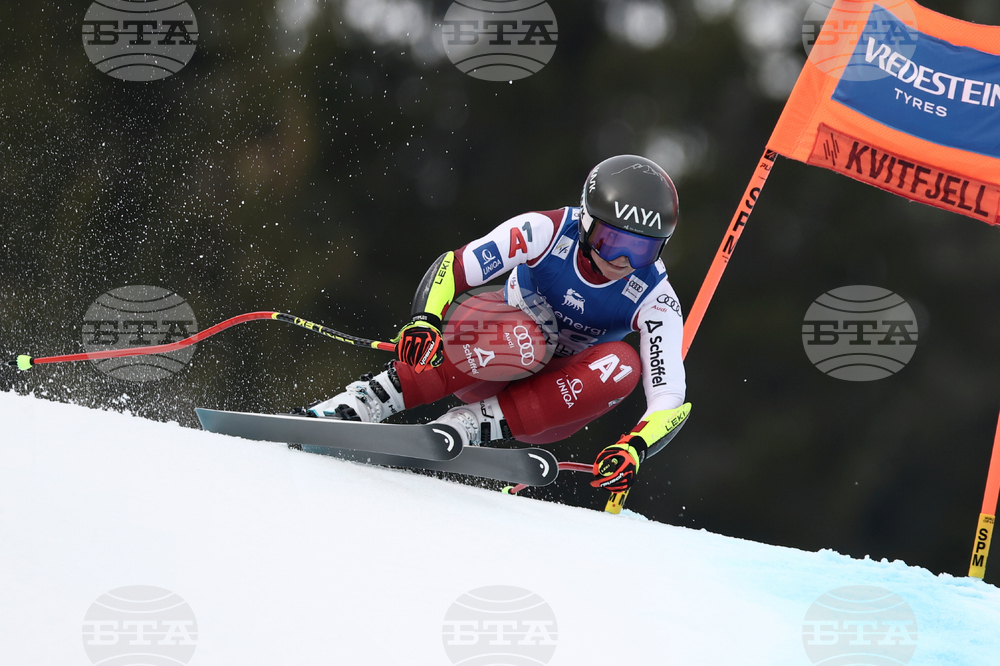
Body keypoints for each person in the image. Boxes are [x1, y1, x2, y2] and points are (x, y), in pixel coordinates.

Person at [306, 155, 691, 494]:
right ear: (587, 222)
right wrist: (425, 319)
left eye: (642, 249)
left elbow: (669, 395)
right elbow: (455, 266)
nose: (622, 260)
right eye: (611, 241)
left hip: (549, 400)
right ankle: (368, 401)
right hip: (488, 358)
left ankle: (469, 425)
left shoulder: (656, 296)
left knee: (624, 364)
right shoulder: (544, 231)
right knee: (528, 334)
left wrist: (636, 446)